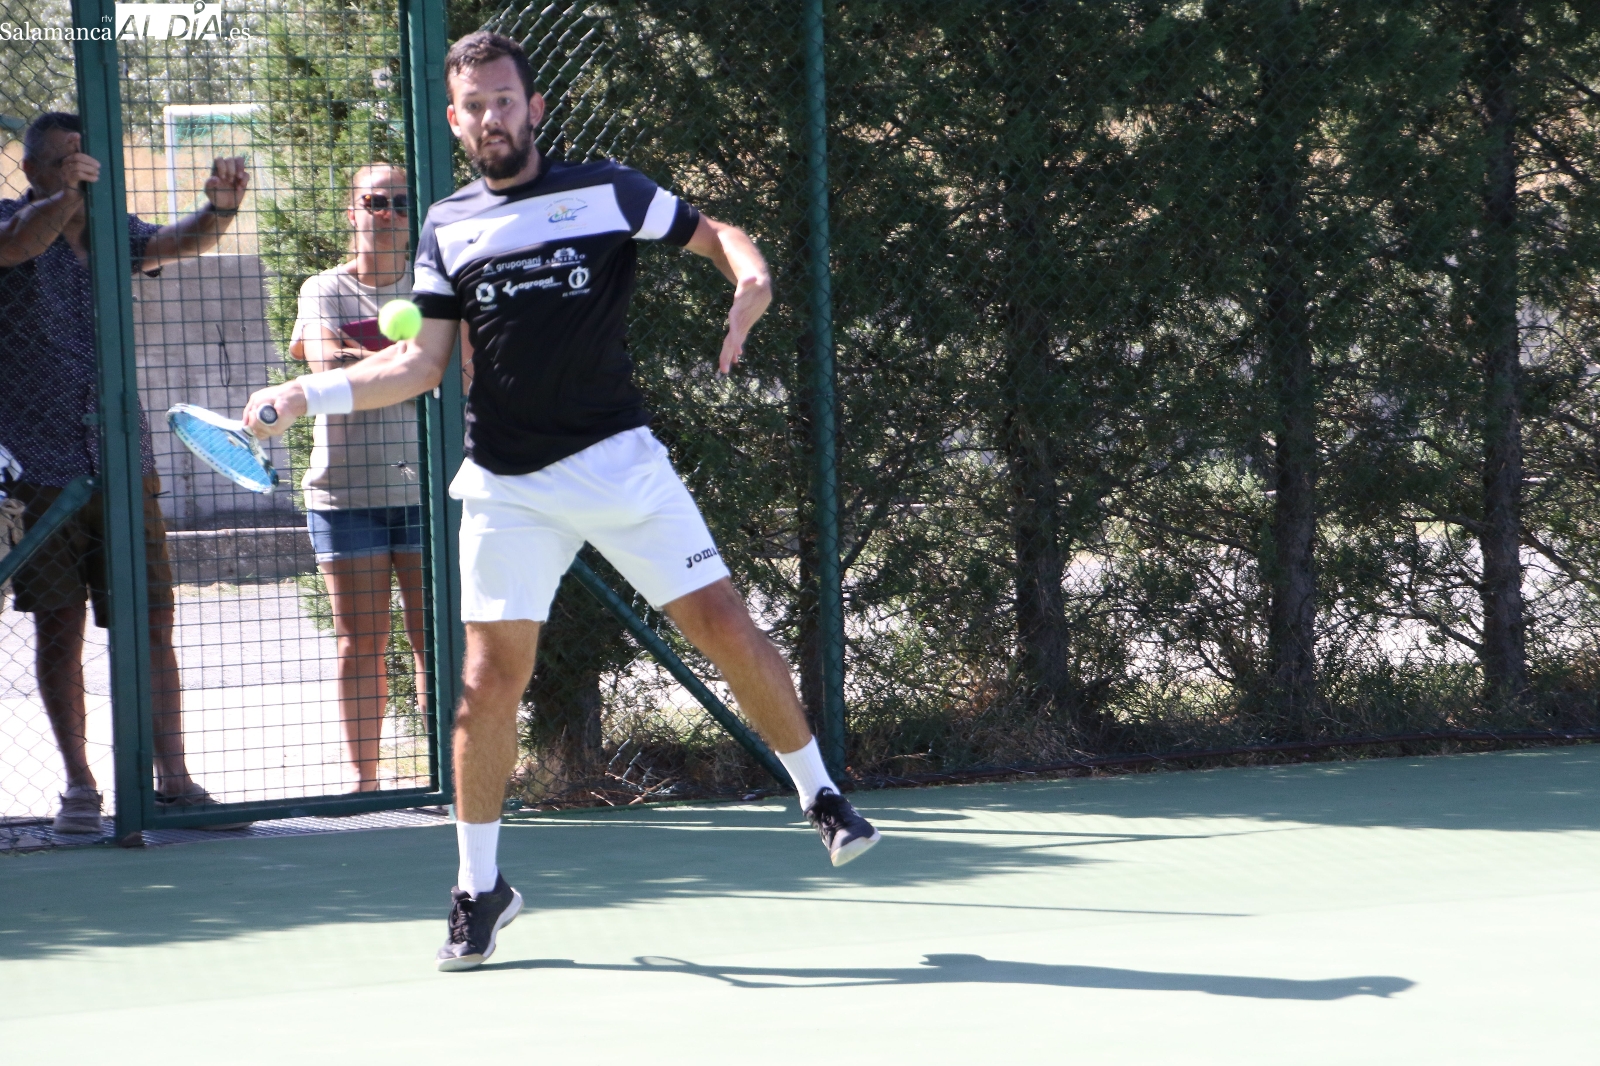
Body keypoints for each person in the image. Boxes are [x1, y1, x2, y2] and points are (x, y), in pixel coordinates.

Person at [242, 31, 880, 971]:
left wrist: (751, 277)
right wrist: (306, 395)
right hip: (508, 487)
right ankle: (476, 890)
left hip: (621, 464)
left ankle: (820, 795)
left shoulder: (609, 191)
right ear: (455, 122)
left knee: (726, 627)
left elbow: (714, 234)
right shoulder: (446, 229)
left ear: (533, 108)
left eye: (506, 99)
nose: (492, 117)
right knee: (484, 687)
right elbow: (420, 365)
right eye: (475, 106)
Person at [0, 112, 252, 834]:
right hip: (40, 469)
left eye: (88, 160)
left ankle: (173, 779)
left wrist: (221, 207)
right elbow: (21, 244)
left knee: (152, 619)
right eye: (64, 162)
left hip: (122, 459)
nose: (81, 170)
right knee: (59, 624)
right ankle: (80, 786)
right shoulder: (14, 219)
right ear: (34, 171)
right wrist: (61, 203)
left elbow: (179, 242)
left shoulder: (113, 229)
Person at [288, 164, 427, 793]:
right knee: (360, 644)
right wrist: (413, 362)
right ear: (353, 212)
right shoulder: (324, 289)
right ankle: (365, 784)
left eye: (400, 202)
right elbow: (322, 369)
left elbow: (463, 371)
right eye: (376, 201)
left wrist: (359, 361)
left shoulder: (432, 288)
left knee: (436, 640)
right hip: (346, 493)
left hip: (429, 490)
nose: (390, 212)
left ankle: (449, 774)